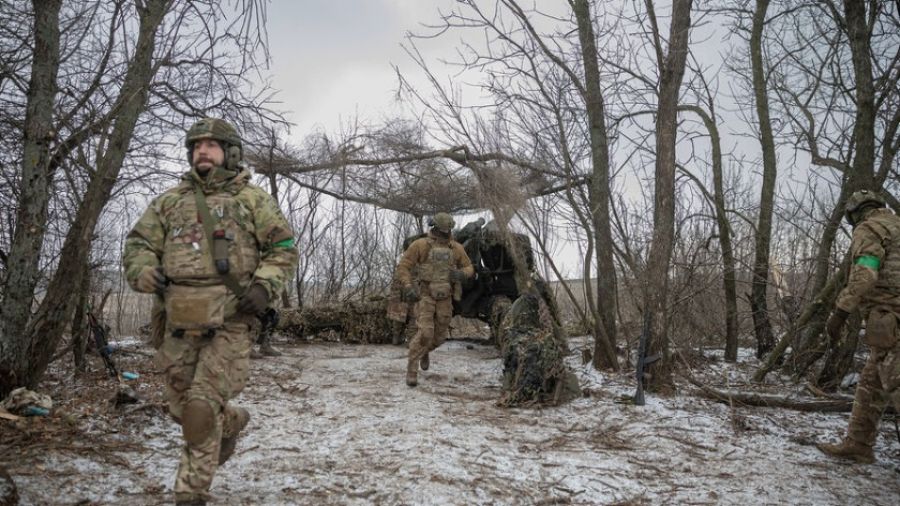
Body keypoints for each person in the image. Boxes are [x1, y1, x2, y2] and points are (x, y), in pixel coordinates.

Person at [123, 118, 298, 505]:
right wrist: (143, 271)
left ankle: (189, 495)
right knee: (182, 411)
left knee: (200, 411)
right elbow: (138, 244)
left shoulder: (252, 200)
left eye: (211, 145)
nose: (202, 151)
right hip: (177, 323)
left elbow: (283, 248)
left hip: (231, 321)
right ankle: (231, 421)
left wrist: (263, 286)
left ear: (230, 152)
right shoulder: (169, 202)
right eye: (196, 145)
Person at [817, 189, 900, 464]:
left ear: (855, 213)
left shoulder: (870, 228)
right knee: (870, 384)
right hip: (888, 322)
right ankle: (858, 444)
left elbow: (865, 271)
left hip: (891, 318)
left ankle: (858, 444)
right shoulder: (896, 225)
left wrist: (840, 312)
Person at [395, 212, 474, 387]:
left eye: (448, 230)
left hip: (445, 297)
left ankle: (424, 352)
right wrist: (408, 286)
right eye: (443, 229)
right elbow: (403, 267)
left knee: (439, 338)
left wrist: (461, 274)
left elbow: (469, 267)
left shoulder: (456, 248)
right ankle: (412, 369)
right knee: (425, 333)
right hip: (425, 295)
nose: (445, 233)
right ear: (435, 227)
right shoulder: (421, 245)